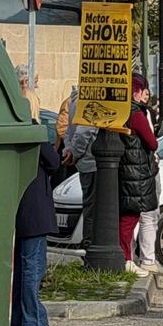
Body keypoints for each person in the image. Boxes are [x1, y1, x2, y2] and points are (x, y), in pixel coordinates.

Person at [11, 132, 60, 326]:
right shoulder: (34, 133)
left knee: (20, 268)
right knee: (33, 266)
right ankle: (33, 321)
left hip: (17, 206)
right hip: (35, 208)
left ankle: (17, 321)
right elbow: (53, 162)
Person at [119, 73, 159, 275]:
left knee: (128, 217)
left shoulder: (118, 111)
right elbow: (152, 142)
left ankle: (128, 258)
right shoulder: (136, 114)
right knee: (130, 217)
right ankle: (126, 259)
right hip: (136, 171)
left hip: (125, 168)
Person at [62, 88, 98, 249]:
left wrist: (69, 150)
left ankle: (89, 243)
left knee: (89, 205)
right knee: (93, 208)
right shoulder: (88, 100)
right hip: (92, 161)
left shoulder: (74, 100)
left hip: (83, 161)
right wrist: (74, 153)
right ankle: (90, 244)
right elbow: (85, 130)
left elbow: (69, 130)